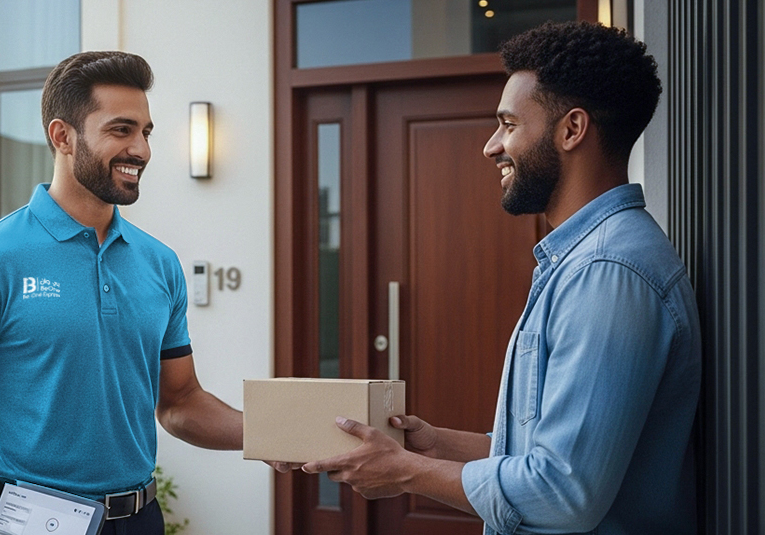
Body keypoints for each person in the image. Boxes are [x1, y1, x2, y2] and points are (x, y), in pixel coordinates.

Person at [283, 21, 702, 535]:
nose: (491, 146)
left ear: (572, 130)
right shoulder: (582, 261)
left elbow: (562, 492)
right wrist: (433, 445)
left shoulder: (606, 273)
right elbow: (542, 455)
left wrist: (408, 472)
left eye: (508, 124)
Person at [0, 51, 243, 535]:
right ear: (62, 136)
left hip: (141, 520)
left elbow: (180, 402)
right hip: (35, 522)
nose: (142, 150)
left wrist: (275, 436)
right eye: (121, 130)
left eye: (146, 132)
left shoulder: (159, 264)